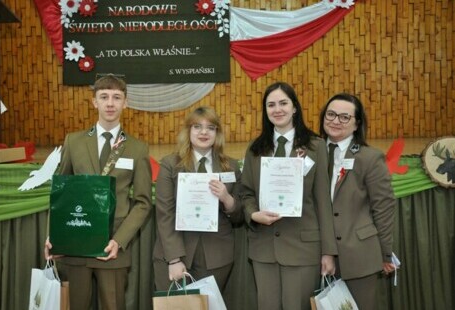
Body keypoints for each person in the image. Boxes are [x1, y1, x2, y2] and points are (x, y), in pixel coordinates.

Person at [44, 75, 153, 310]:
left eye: (116, 97)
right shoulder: (74, 142)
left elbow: (143, 202)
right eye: (104, 97)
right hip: (76, 243)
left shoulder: (137, 148)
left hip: (112, 246)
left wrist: (119, 240)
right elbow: (61, 193)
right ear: (94, 102)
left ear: (126, 103)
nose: (110, 103)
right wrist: (55, 235)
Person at [241, 82, 337, 310]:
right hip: (264, 248)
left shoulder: (316, 146)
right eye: (271, 105)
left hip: (303, 247)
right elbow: (245, 193)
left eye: (283, 103)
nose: (277, 109)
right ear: (265, 111)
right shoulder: (255, 148)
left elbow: (323, 201)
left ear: (294, 107)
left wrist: (328, 252)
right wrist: (253, 214)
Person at [152, 106, 243, 293]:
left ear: (217, 133)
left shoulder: (230, 167)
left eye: (210, 127)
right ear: (188, 131)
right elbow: (164, 214)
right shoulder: (170, 164)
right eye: (197, 127)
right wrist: (174, 259)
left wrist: (227, 198)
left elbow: (239, 216)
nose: (203, 132)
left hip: (216, 256)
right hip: (175, 254)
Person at [319, 93, 396, 310]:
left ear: (356, 124)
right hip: (313, 254)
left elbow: (384, 207)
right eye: (331, 114)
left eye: (344, 117)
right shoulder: (308, 154)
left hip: (359, 256)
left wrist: (385, 254)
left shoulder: (369, 158)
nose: (335, 121)